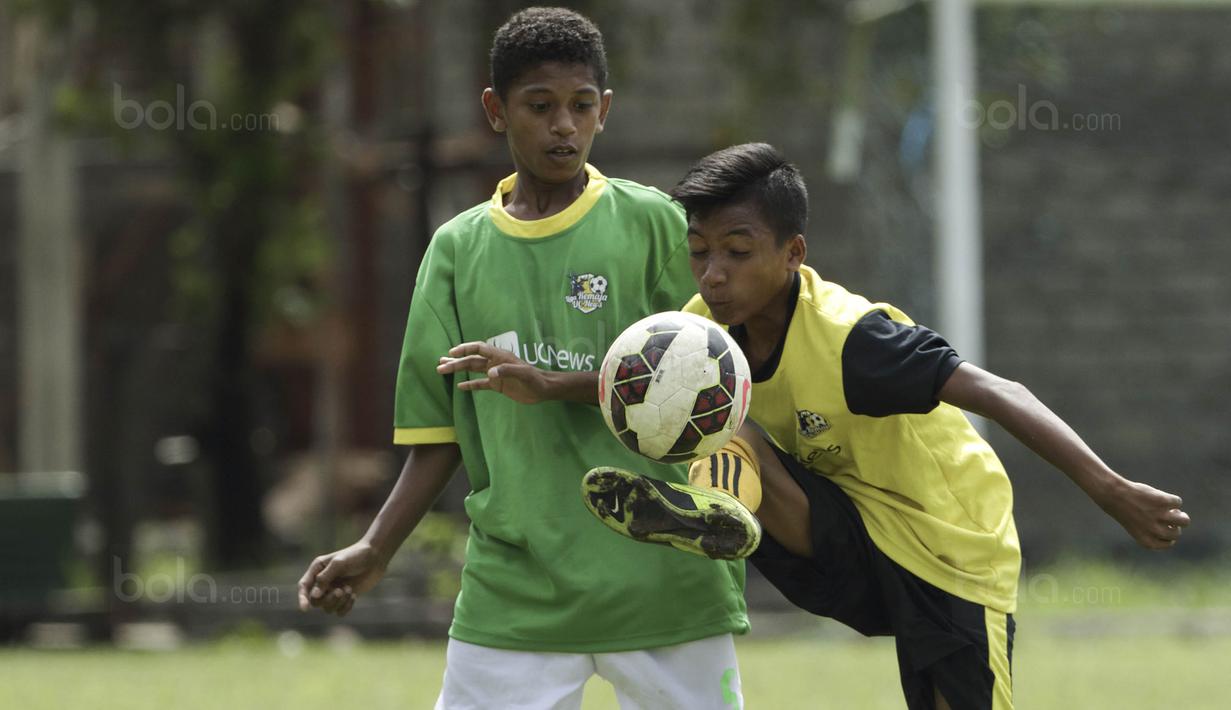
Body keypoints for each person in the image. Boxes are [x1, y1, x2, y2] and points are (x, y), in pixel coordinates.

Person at [581, 143, 1192, 710]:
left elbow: (1001, 392)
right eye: (700, 251)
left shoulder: (856, 340)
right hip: (846, 526)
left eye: (737, 252)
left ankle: (719, 509)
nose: (713, 273)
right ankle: (714, 512)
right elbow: (648, 390)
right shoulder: (703, 335)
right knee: (712, 410)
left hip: (947, 545)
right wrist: (547, 381)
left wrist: (1112, 490)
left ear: (793, 254)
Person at [296, 8, 750, 710]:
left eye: (581, 106)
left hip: (662, 576)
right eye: (539, 107)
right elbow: (437, 433)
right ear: (495, 111)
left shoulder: (653, 224)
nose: (563, 126)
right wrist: (376, 549)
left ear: (605, 111)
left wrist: (557, 385)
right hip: (517, 587)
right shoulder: (455, 250)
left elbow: (718, 380)